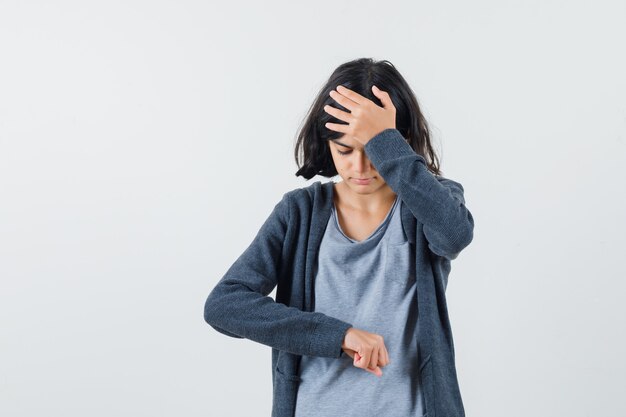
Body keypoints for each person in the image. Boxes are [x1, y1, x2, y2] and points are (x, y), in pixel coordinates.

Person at [203, 58, 475, 417]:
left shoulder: (427, 202)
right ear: (327, 143)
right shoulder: (299, 213)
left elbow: (454, 235)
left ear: (399, 142)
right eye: (345, 150)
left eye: (373, 150)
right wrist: (338, 335)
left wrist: (385, 140)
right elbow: (224, 305)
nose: (359, 169)